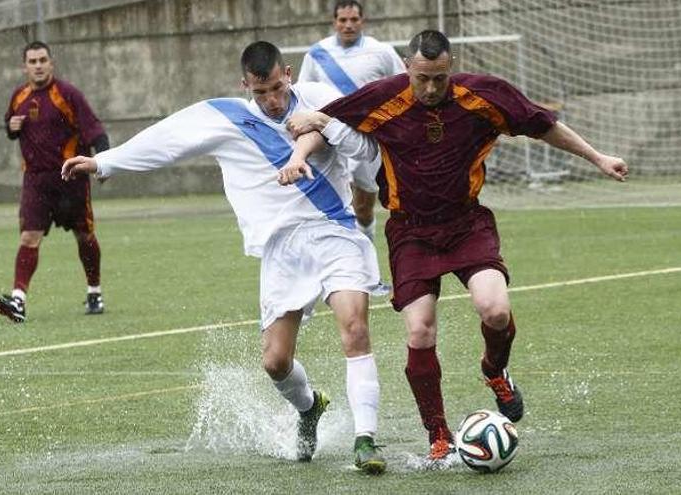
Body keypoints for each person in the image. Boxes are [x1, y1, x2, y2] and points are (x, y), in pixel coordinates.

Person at [281, 30, 629, 461]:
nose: (430, 88)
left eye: (439, 79)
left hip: (467, 223)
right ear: (408, 67)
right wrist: (299, 157)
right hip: (410, 231)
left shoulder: (483, 94)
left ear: (452, 67)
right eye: (422, 78)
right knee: (420, 329)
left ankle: (495, 371)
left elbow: (543, 124)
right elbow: (324, 123)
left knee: (496, 310)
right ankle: (439, 435)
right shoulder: (383, 97)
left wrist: (597, 158)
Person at [61, 41, 387, 474]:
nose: (271, 101)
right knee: (275, 362)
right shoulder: (225, 116)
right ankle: (310, 407)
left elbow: (367, 150)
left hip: (335, 232)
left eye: (276, 88)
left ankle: (366, 440)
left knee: (354, 325)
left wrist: (325, 126)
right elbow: (166, 140)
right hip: (281, 251)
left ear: (288, 74)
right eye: (260, 92)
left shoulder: (323, 99)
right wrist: (103, 163)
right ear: (244, 86)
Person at [0, 41, 111, 323]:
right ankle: (18, 301)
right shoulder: (18, 96)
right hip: (35, 182)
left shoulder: (67, 94)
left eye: (42, 60)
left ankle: (94, 290)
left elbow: (94, 129)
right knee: (28, 238)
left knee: (84, 236)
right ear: (25, 66)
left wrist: (106, 161)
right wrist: (11, 128)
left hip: (70, 179)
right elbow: (12, 124)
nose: (38, 65)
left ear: (51, 63)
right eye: (32, 61)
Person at [297, 0, 405, 248]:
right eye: (343, 20)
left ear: (362, 21)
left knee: (364, 207)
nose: (348, 25)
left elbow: (403, 87)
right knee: (337, 203)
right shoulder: (316, 54)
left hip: (367, 138)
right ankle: (349, 264)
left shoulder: (381, 51)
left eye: (354, 20)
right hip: (329, 137)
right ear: (334, 22)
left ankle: (366, 244)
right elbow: (303, 95)